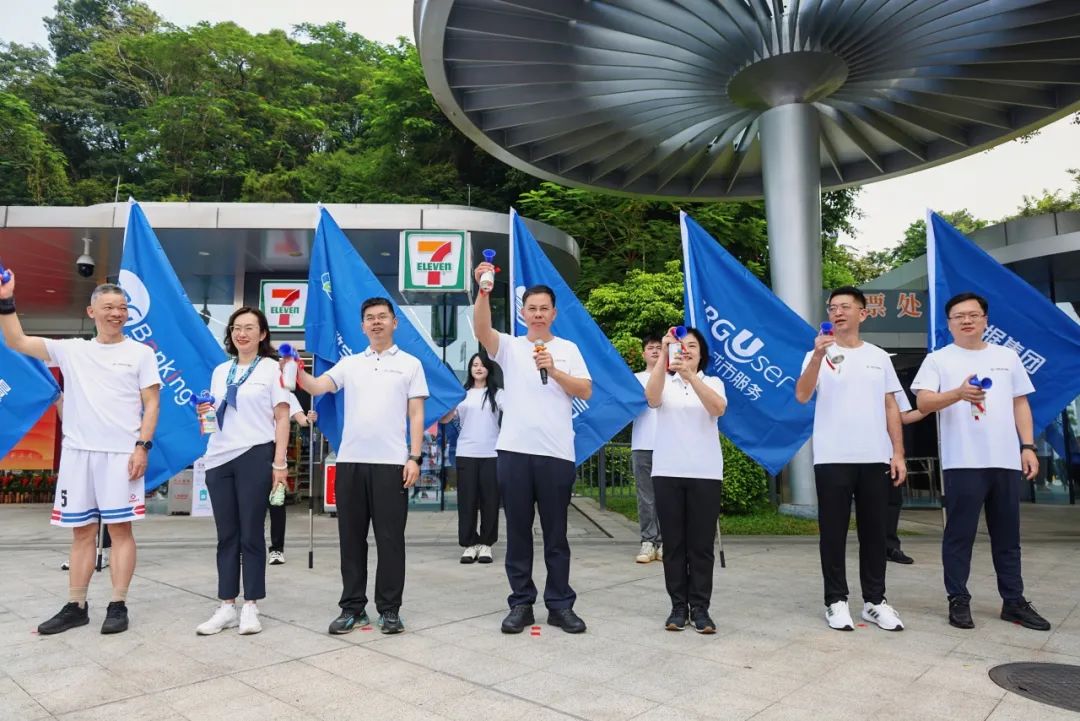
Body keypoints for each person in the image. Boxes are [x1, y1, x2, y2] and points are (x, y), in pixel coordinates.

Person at [0, 276, 161, 635]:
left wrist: (142, 446)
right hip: (78, 455)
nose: (117, 313)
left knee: (120, 530)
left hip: (120, 454)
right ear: (92, 312)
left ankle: (118, 604)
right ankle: (76, 606)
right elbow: (17, 341)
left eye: (122, 308)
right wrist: (7, 301)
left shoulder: (141, 353)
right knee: (82, 532)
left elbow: (151, 403)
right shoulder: (72, 350)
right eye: (109, 307)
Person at [911, 292, 1050, 631]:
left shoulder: (1007, 357)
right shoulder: (939, 359)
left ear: (985, 320)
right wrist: (957, 393)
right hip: (962, 461)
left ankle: (1013, 601)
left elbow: (1020, 403)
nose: (966, 320)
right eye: (958, 316)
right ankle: (958, 599)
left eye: (973, 314)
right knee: (959, 535)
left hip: (1005, 460)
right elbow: (924, 402)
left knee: (1008, 536)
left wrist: (1027, 446)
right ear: (949, 324)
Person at [293, 297, 427, 636]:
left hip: (391, 464)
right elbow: (316, 386)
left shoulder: (410, 364)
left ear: (395, 322)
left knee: (390, 541)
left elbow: (416, 414)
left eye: (382, 316)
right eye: (370, 318)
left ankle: (390, 610)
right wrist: (296, 369)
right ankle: (352, 608)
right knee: (351, 540)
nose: (376, 322)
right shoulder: (350, 363)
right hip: (351, 462)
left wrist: (414, 457)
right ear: (362, 326)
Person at [473, 259, 592, 635]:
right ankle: (521, 603)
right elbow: (481, 329)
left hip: (556, 453)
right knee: (519, 533)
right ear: (522, 313)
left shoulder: (568, 349)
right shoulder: (509, 346)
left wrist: (553, 369)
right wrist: (483, 291)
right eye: (532, 308)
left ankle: (560, 605)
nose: (538, 314)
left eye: (544, 309)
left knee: (556, 535)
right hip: (514, 452)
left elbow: (585, 390)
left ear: (554, 313)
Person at [795, 286, 907, 632]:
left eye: (845, 306)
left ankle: (875, 601)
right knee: (833, 533)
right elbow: (802, 395)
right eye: (833, 308)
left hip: (875, 457)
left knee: (875, 533)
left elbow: (891, 405)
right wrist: (817, 356)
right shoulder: (817, 353)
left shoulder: (879, 356)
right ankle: (836, 600)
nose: (838, 312)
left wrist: (898, 452)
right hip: (832, 457)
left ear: (863, 313)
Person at [195, 307, 290, 636]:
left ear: (262, 334)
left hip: (255, 454)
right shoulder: (221, 370)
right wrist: (204, 415)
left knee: (251, 533)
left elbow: (282, 417)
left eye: (250, 328)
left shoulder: (272, 368)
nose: (242, 333)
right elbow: (213, 418)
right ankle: (226, 606)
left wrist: (279, 463)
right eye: (236, 327)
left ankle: (251, 605)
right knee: (226, 536)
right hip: (218, 457)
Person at [645, 327, 727, 634]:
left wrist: (691, 377)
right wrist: (663, 356)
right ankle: (678, 607)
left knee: (701, 546)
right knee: (674, 544)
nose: (686, 350)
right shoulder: (664, 381)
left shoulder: (712, 382)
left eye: (692, 346)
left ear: (701, 353)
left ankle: (701, 608)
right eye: (681, 346)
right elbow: (651, 399)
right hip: (667, 471)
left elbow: (718, 408)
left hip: (705, 473)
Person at [441, 352, 503, 564]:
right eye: (474, 365)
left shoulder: (498, 394)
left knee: (490, 501)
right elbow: (446, 419)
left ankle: (486, 544)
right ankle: (469, 544)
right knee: (467, 501)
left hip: (491, 454)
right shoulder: (462, 394)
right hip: (466, 453)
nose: (478, 368)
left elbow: (514, 411)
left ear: (488, 369)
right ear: (470, 369)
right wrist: (446, 402)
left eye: (482, 365)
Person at [267, 394, 317, 566]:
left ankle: (277, 549)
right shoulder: (253, 387)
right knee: (251, 505)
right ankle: (247, 548)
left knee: (277, 503)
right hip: (253, 451)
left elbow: (301, 420)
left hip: (277, 454)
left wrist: (309, 419)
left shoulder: (285, 394)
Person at [632, 334, 663, 564]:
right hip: (642, 444)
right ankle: (648, 541)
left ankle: (665, 542)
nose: (655, 351)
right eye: (650, 347)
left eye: (659, 348)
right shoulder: (634, 380)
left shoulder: (673, 379)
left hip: (669, 445)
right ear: (643, 354)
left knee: (667, 497)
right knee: (646, 497)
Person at [886, 391, 928, 565]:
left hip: (890, 453)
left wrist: (931, 406)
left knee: (893, 501)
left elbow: (904, 417)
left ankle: (890, 547)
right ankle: (872, 547)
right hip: (863, 454)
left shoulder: (892, 385)